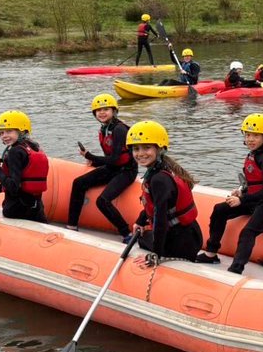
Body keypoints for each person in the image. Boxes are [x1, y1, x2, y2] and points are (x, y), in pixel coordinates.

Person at [195, 113, 263, 275]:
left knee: (248, 232)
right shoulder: (254, 154)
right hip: (255, 198)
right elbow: (253, 182)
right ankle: (211, 253)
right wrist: (241, 191)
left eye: (256, 135)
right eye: (248, 135)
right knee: (219, 209)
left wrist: (241, 200)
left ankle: (235, 270)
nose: (250, 139)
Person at [127, 120, 203, 265]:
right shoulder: (163, 169)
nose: (141, 153)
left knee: (141, 238)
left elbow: (161, 220)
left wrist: (155, 255)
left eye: (147, 148)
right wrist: (140, 221)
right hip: (191, 237)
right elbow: (155, 207)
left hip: (181, 243)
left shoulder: (159, 180)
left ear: (159, 149)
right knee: (143, 233)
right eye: (136, 149)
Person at [67, 94, 137, 240]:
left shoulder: (119, 130)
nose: (102, 113)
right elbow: (110, 159)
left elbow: (116, 158)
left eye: (106, 109)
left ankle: (127, 233)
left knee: (103, 201)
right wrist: (95, 162)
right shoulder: (104, 129)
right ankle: (72, 225)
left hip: (126, 171)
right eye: (98, 110)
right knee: (78, 183)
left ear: (114, 111)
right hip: (113, 168)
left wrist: (90, 156)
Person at [0, 110, 49, 222]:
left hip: (16, 210)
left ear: (21, 131)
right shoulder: (34, 147)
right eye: (1, 133)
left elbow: (13, 187)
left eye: (9, 131)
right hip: (36, 209)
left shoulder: (14, 152)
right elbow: (20, 183)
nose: (4, 136)